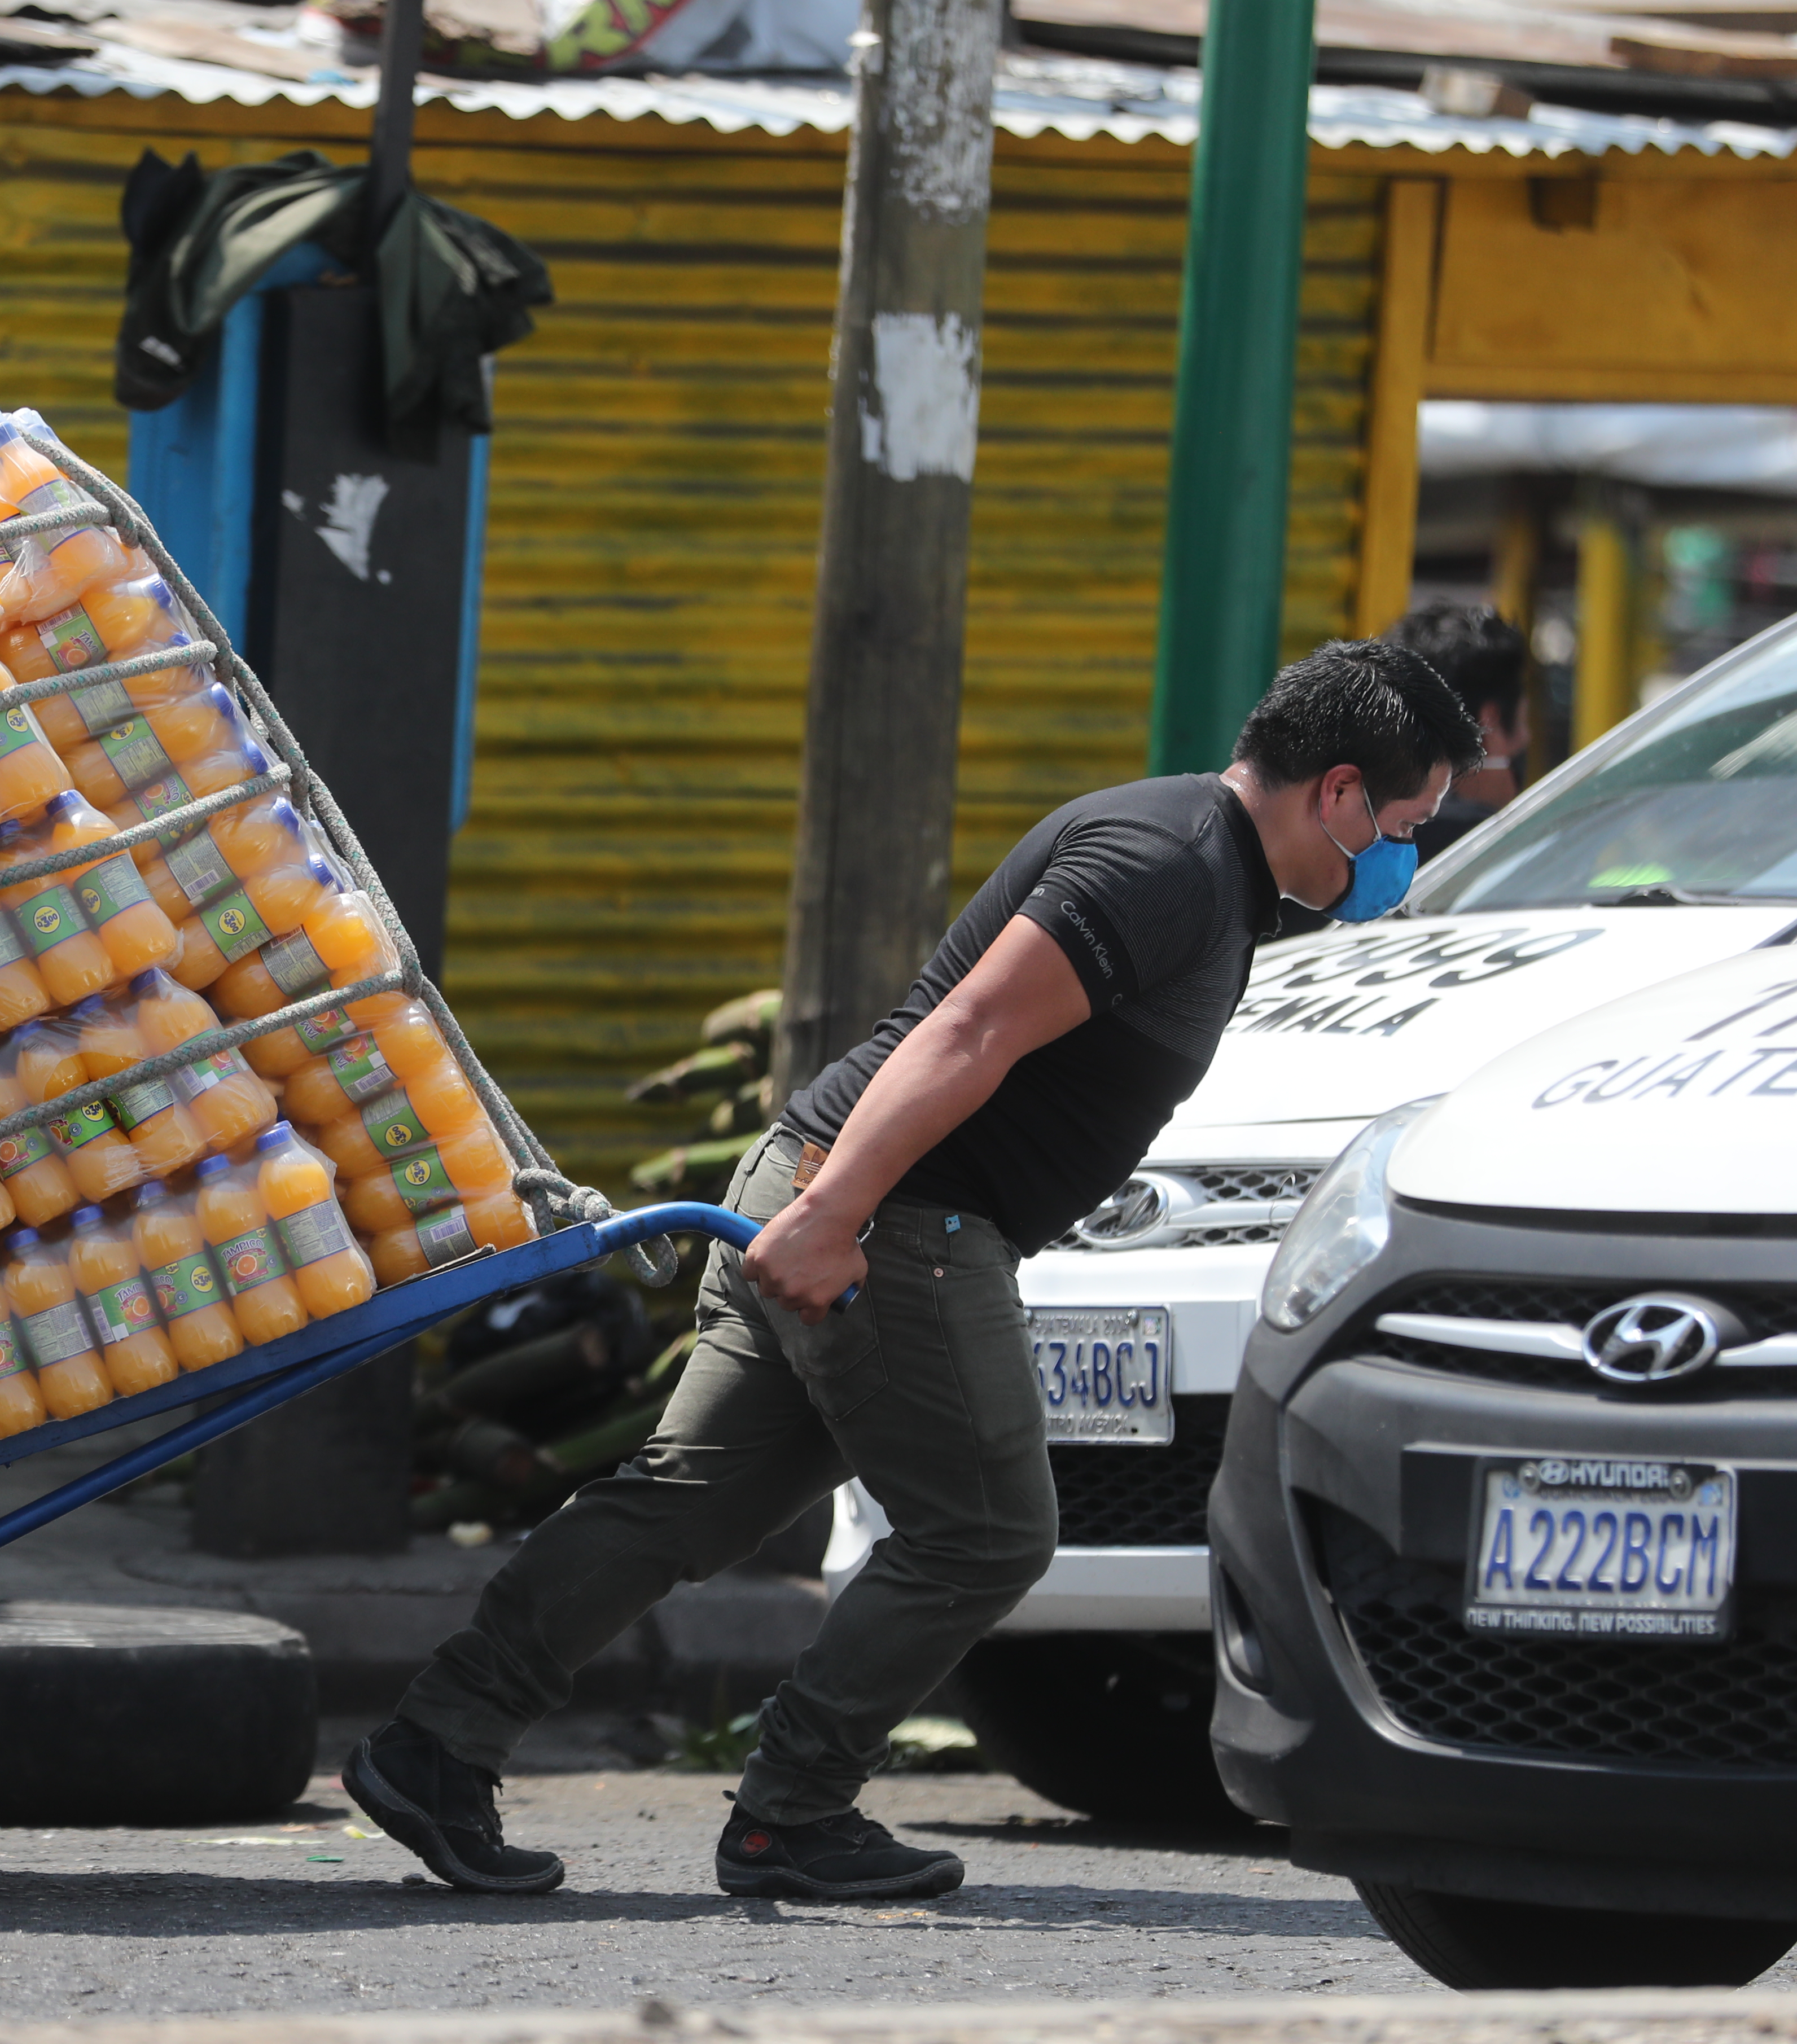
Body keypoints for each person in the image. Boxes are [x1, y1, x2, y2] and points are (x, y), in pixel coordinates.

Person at [341, 639, 1482, 1901]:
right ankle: (793, 1810)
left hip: (838, 1192)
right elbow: (970, 1028)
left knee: (687, 1504)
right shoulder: (1167, 864)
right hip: (898, 1221)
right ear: (1337, 792)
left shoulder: (1202, 865)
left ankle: (436, 1744)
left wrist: (823, 1201)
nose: (1401, 858)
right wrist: (836, 1212)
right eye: (1403, 826)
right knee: (987, 1535)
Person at [1380, 601, 1531, 861]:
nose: (1528, 739)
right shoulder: (1500, 850)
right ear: (1490, 722)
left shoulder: (1359, 834)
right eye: (1523, 723)